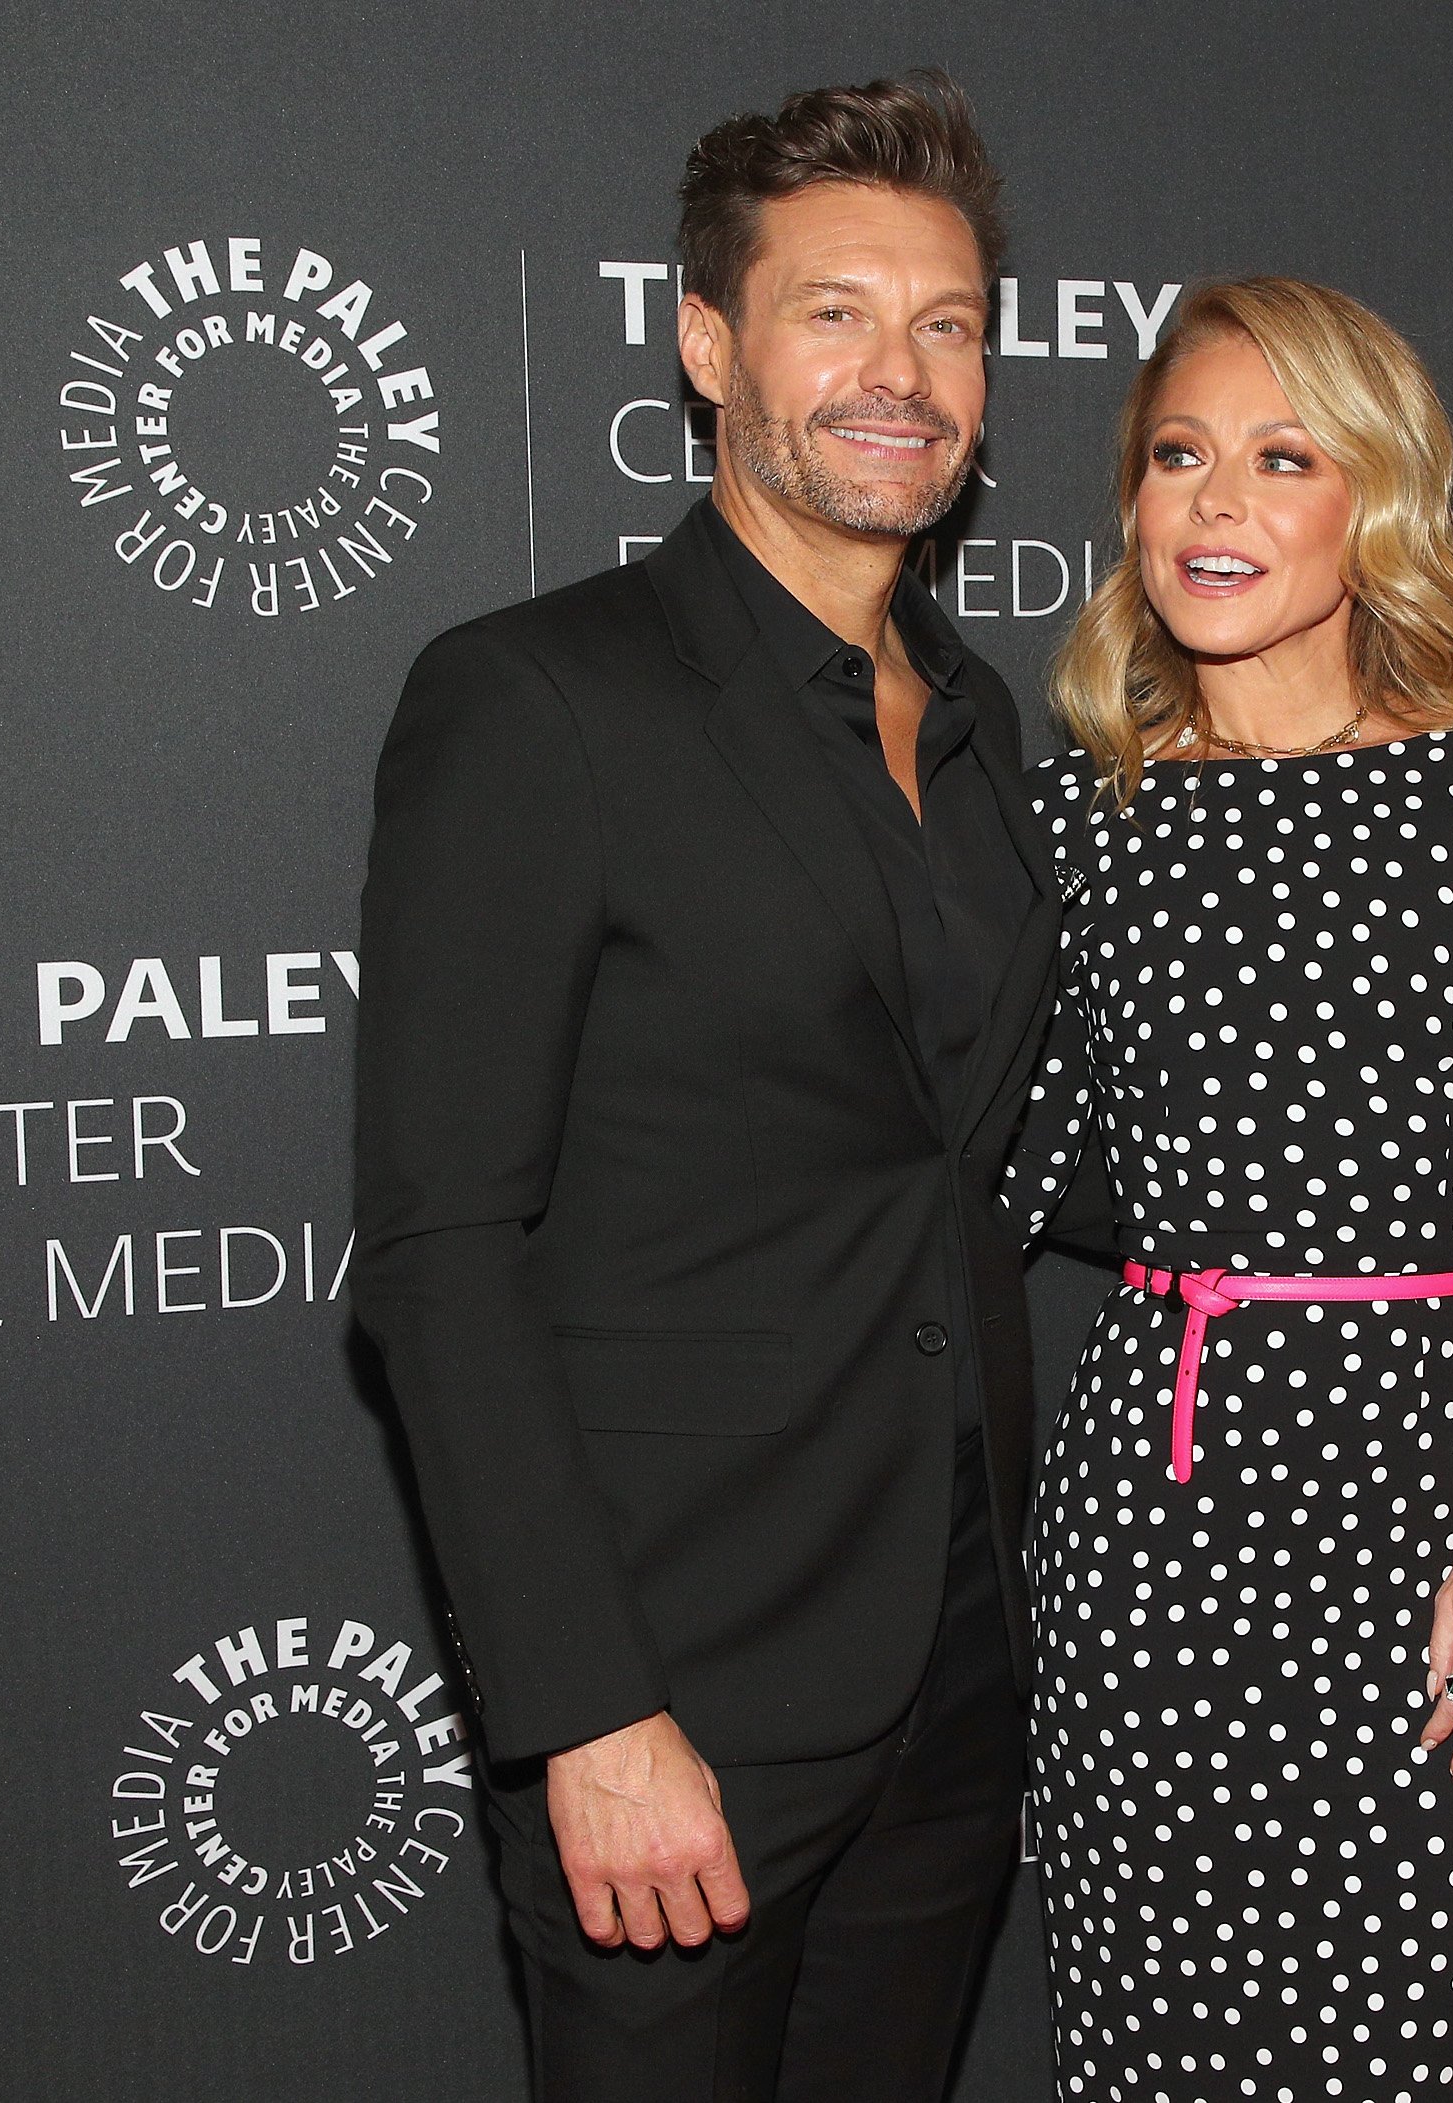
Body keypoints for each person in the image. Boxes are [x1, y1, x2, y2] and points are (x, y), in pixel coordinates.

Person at [350, 72, 1059, 2102]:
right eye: (833, 311)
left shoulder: (990, 717)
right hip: (683, 1687)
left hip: (957, 1652)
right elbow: (439, 1243)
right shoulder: (538, 699)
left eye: (945, 324)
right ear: (707, 339)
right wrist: (588, 1709)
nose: (898, 373)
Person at [1007, 277, 1453, 2103]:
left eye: (1279, 459)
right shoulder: (1082, 820)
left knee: (1392, 2041)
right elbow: (1004, 1157)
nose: (1212, 504)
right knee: (1145, 2034)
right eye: (1178, 456)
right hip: (1150, 1504)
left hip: (1419, 1491)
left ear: (1370, 506)